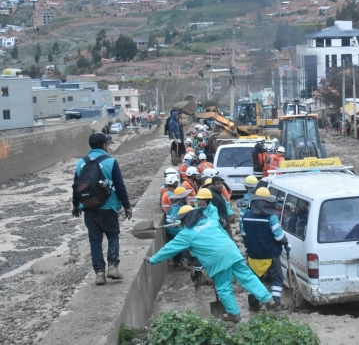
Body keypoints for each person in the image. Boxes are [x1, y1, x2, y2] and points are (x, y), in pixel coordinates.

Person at [146, 205, 276, 322]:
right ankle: (268, 299)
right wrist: (180, 225)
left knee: (224, 287)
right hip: (232, 251)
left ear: (186, 219)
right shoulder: (210, 221)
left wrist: (153, 259)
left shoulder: (186, 235)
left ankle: (233, 313)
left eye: (183, 220)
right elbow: (221, 229)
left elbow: (169, 249)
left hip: (217, 259)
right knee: (248, 278)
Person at [72, 133, 132, 285]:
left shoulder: (80, 163)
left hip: (89, 208)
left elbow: (76, 186)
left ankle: (99, 273)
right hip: (108, 208)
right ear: (105, 145)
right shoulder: (110, 162)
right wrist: (126, 206)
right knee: (113, 236)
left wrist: (75, 205)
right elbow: (119, 186)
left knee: (94, 240)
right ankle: (112, 266)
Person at [241, 187, 290, 311]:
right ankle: (275, 304)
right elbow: (279, 237)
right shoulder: (271, 218)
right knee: (277, 279)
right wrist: (286, 243)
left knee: (254, 280)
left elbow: (244, 235)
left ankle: (253, 305)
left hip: (253, 255)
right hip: (271, 254)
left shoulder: (246, 216)